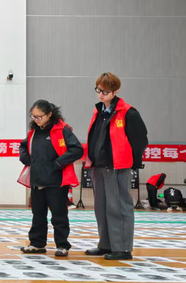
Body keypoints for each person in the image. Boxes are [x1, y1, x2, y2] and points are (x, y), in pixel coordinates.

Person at [84, 72, 148, 260]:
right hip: (98, 166)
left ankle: (122, 248)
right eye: (98, 90)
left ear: (115, 91)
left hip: (117, 167)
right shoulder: (99, 111)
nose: (101, 94)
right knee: (101, 207)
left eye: (105, 91)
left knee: (119, 207)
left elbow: (140, 140)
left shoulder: (128, 113)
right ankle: (106, 244)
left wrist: (132, 162)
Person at [18, 100, 83, 257]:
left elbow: (77, 149)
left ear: (49, 114)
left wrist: (58, 163)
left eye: (39, 116)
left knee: (59, 215)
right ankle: (37, 244)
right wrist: (25, 157)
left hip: (56, 181)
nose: (36, 120)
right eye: (33, 116)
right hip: (37, 179)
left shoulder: (62, 130)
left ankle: (62, 245)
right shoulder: (33, 132)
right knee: (38, 215)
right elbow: (23, 146)